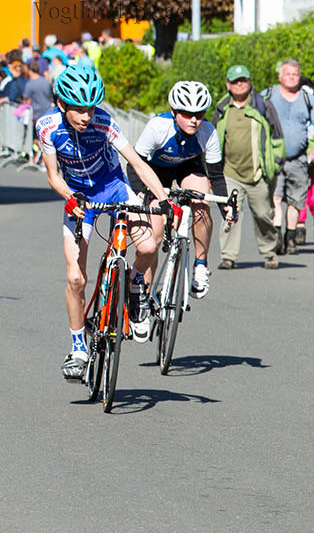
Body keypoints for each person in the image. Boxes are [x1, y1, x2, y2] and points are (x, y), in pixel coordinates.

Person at [37, 64, 169, 380]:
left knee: (148, 246)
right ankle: (78, 349)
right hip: (79, 196)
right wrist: (70, 197)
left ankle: (135, 284)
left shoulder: (105, 122)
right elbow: (53, 175)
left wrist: (163, 199)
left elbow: (137, 163)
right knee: (75, 278)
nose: (86, 116)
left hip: (113, 187)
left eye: (91, 109)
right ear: (62, 105)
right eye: (79, 110)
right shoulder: (47, 127)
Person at [134, 80, 227, 298]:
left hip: (188, 168)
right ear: (174, 111)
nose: (194, 120)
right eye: (186, 114)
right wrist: (140, 192)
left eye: (199, 114)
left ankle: (201, 265)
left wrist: (226, 208)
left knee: (201, 202)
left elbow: (216, 176)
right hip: (156, 172)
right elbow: (135, 165)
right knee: (155, 236)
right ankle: (144, 293)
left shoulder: (208, 132)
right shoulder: (157, 126)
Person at [214, 64, 285, 270]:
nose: (239, 84)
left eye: (243, 80)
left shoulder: (262, 105)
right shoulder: (222, 108)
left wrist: (276, 164)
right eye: (235, 81)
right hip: (230, 172)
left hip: (258, 173)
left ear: (250, 82)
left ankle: (269, 252)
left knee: (263, 214)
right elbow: (212, 138)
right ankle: (228, 256)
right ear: (228, 84)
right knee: (231, 213)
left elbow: (277, 135)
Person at [263, 59, 314, 254]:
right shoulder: (268, 95)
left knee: (296, 200)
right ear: (280, 76)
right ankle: (276, 237)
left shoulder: (307, 98)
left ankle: (290, 238)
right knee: (275, 197)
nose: (291, 78)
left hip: (298, 158)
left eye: (295, 74)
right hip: (274, 158)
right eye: (288, 74)